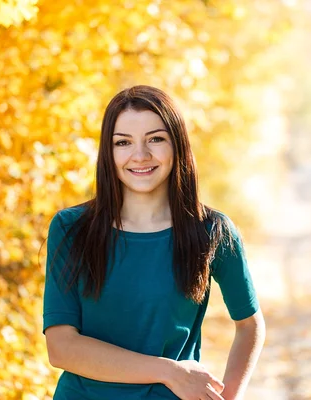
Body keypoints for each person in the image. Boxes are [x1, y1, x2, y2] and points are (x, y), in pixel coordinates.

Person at [43, 85, 266, 400]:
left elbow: (249, 326)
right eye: (123, 142)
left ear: (177, 145)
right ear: (108, 152)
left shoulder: (212, 231)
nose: (140, 155)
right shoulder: (71, 229)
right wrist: (169, 371)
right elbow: (62, 347)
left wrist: (227, 397)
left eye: (155, 139)